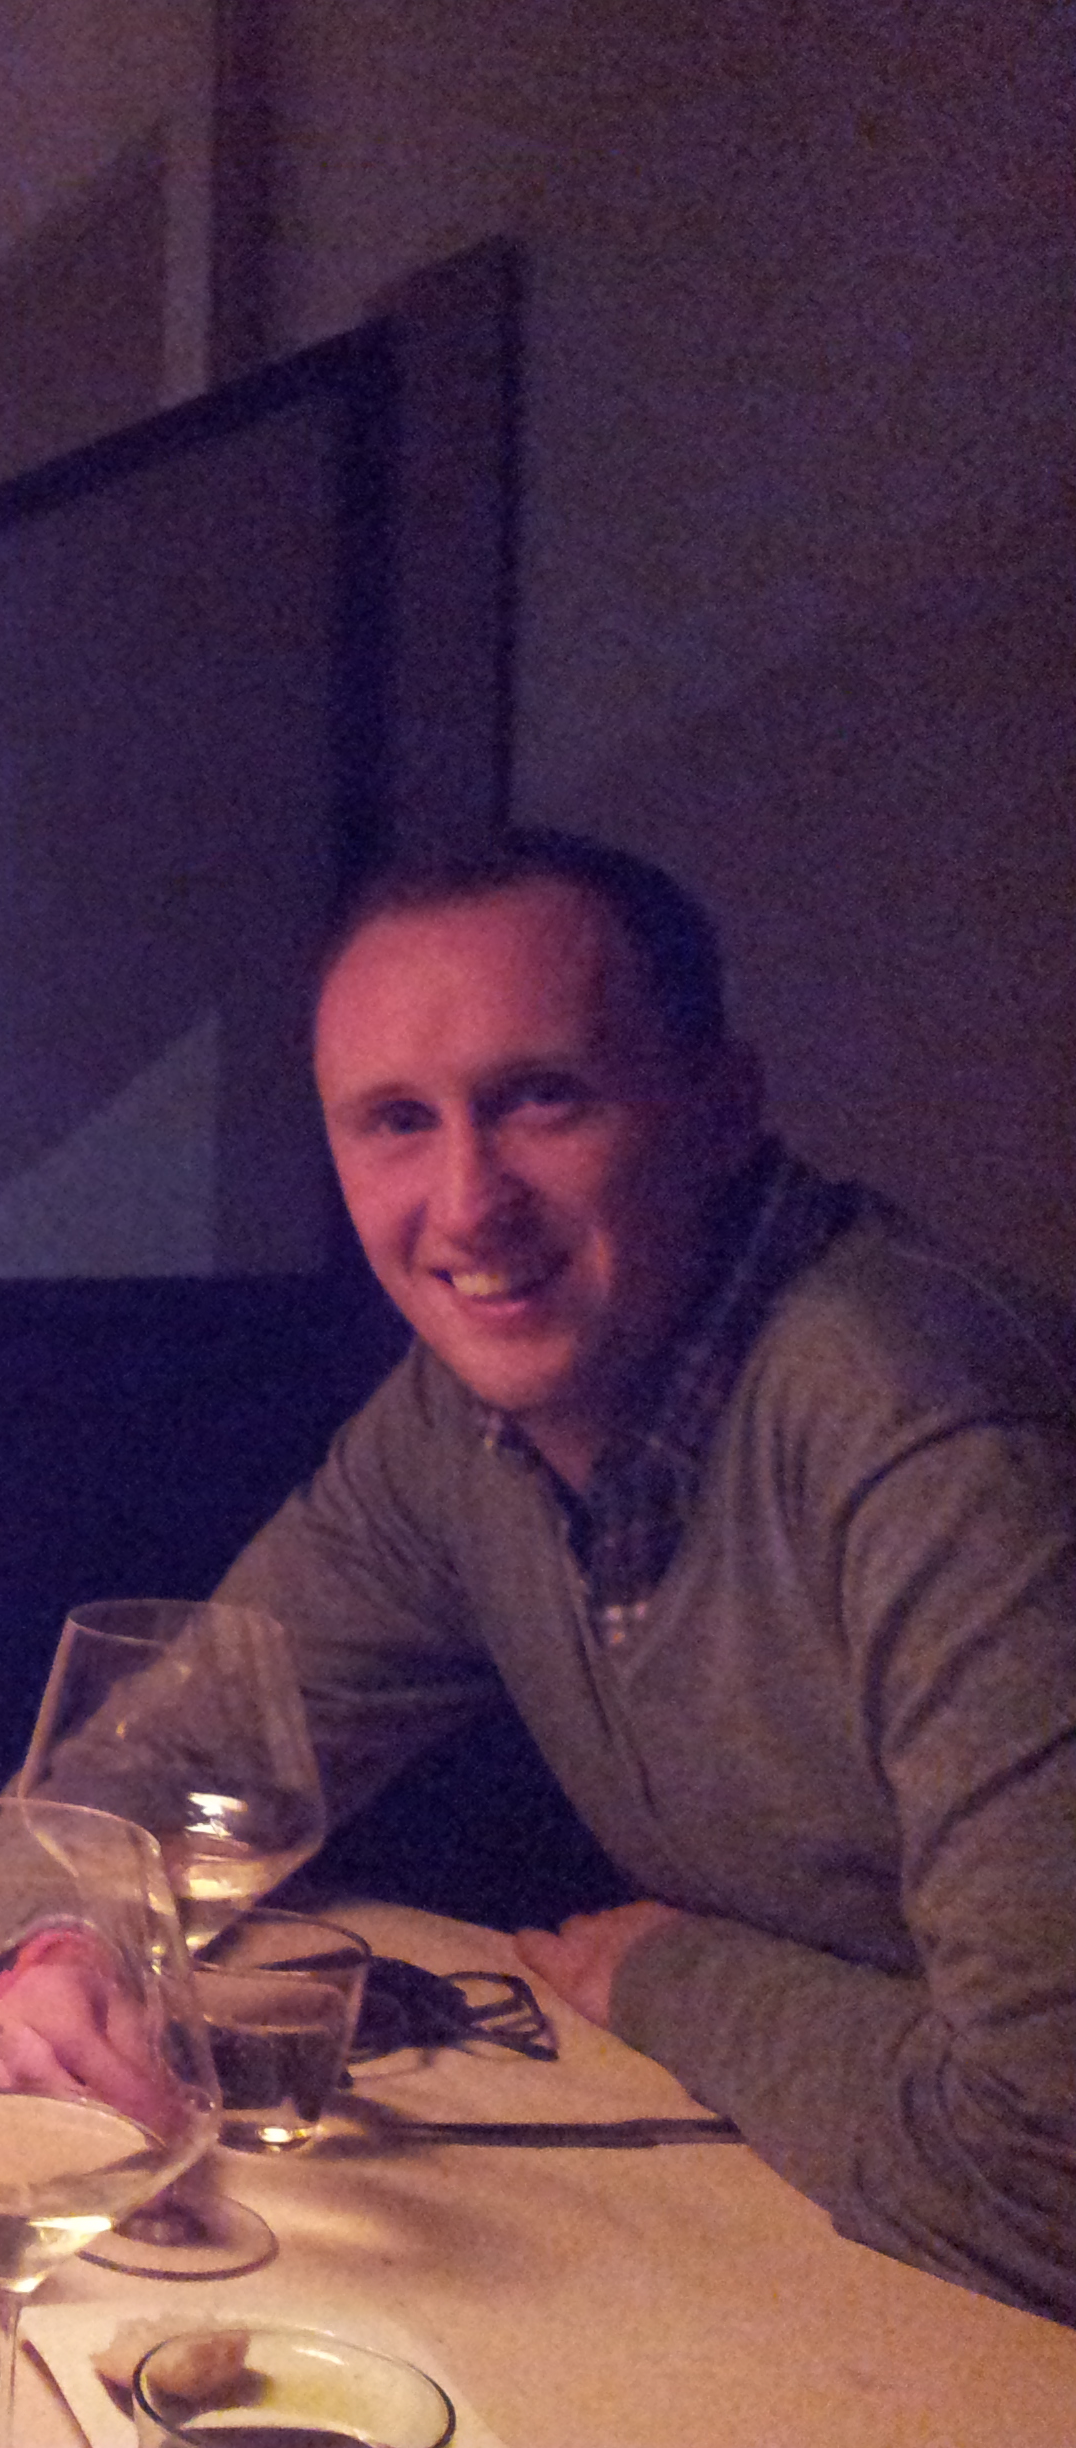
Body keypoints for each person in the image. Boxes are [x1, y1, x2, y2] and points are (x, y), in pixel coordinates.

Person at [216, 830, 1076, 2322]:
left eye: (540, 1099)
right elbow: (164, 1770)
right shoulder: (453, 1422)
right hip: (857, 2236)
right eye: (397, 1121)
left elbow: (1046, 2167)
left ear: (720, 1110)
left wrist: (684, 1980)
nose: (467, 1203)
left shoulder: (928, 1428)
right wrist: (64, 1949)